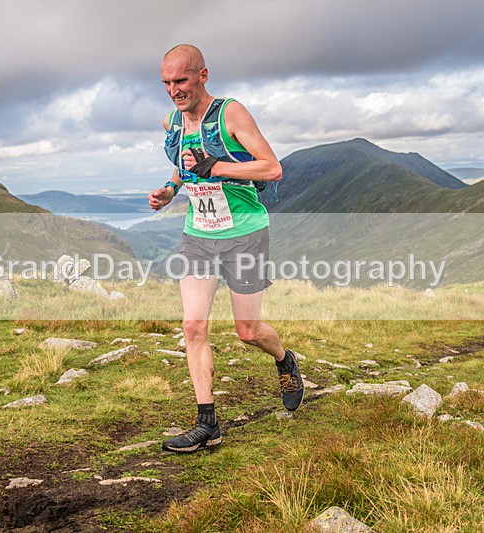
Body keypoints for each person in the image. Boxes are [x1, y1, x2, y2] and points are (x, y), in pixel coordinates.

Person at [148, 44, 304, 453]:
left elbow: (272, 167)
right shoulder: (172, 120)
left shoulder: (230, 113)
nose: (174, 90)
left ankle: (285, 360)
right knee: (193, 326)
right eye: (166, 83)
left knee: (247, 331)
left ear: (202, 75)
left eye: (181, 80)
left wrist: (217, 166)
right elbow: (184, 164)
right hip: (199, 234)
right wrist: (170, 190)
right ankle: (207, 423)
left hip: (244, 233)